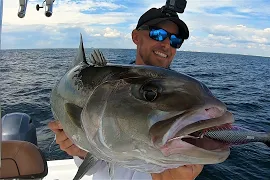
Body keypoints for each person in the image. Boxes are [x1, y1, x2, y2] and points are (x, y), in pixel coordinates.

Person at [48, 7, 204, 180]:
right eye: (158, 34)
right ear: (136, 37)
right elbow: (97, 160)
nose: (167, 44)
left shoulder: (185, 102)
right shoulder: (112, 88)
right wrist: (80, 150)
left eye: (176, 40)